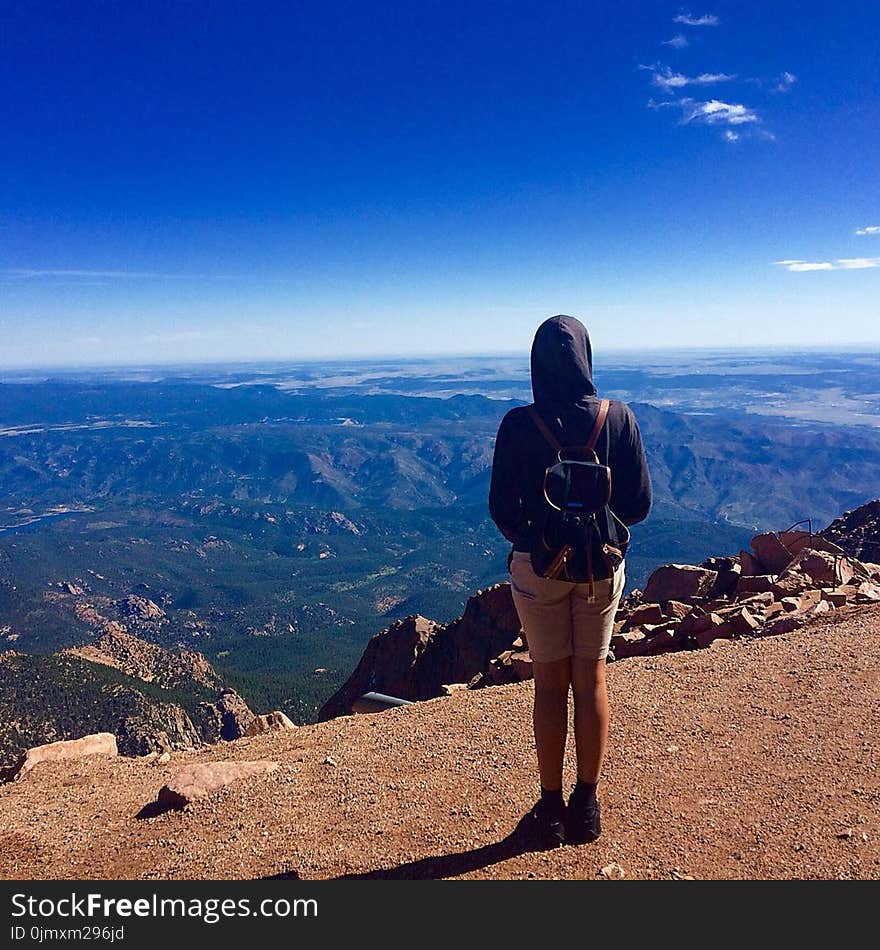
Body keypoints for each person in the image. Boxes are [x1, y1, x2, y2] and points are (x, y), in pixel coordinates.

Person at [488, 314, 651, 846]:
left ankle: (551, 805)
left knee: (550, 684)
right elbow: (639, 506)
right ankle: (588, 804)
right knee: (593, 679)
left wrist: (540, 540)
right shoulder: (618, 419)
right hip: (600, 572)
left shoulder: (518, 424)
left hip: (539, 573)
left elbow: (501, 509)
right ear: (586, 356)